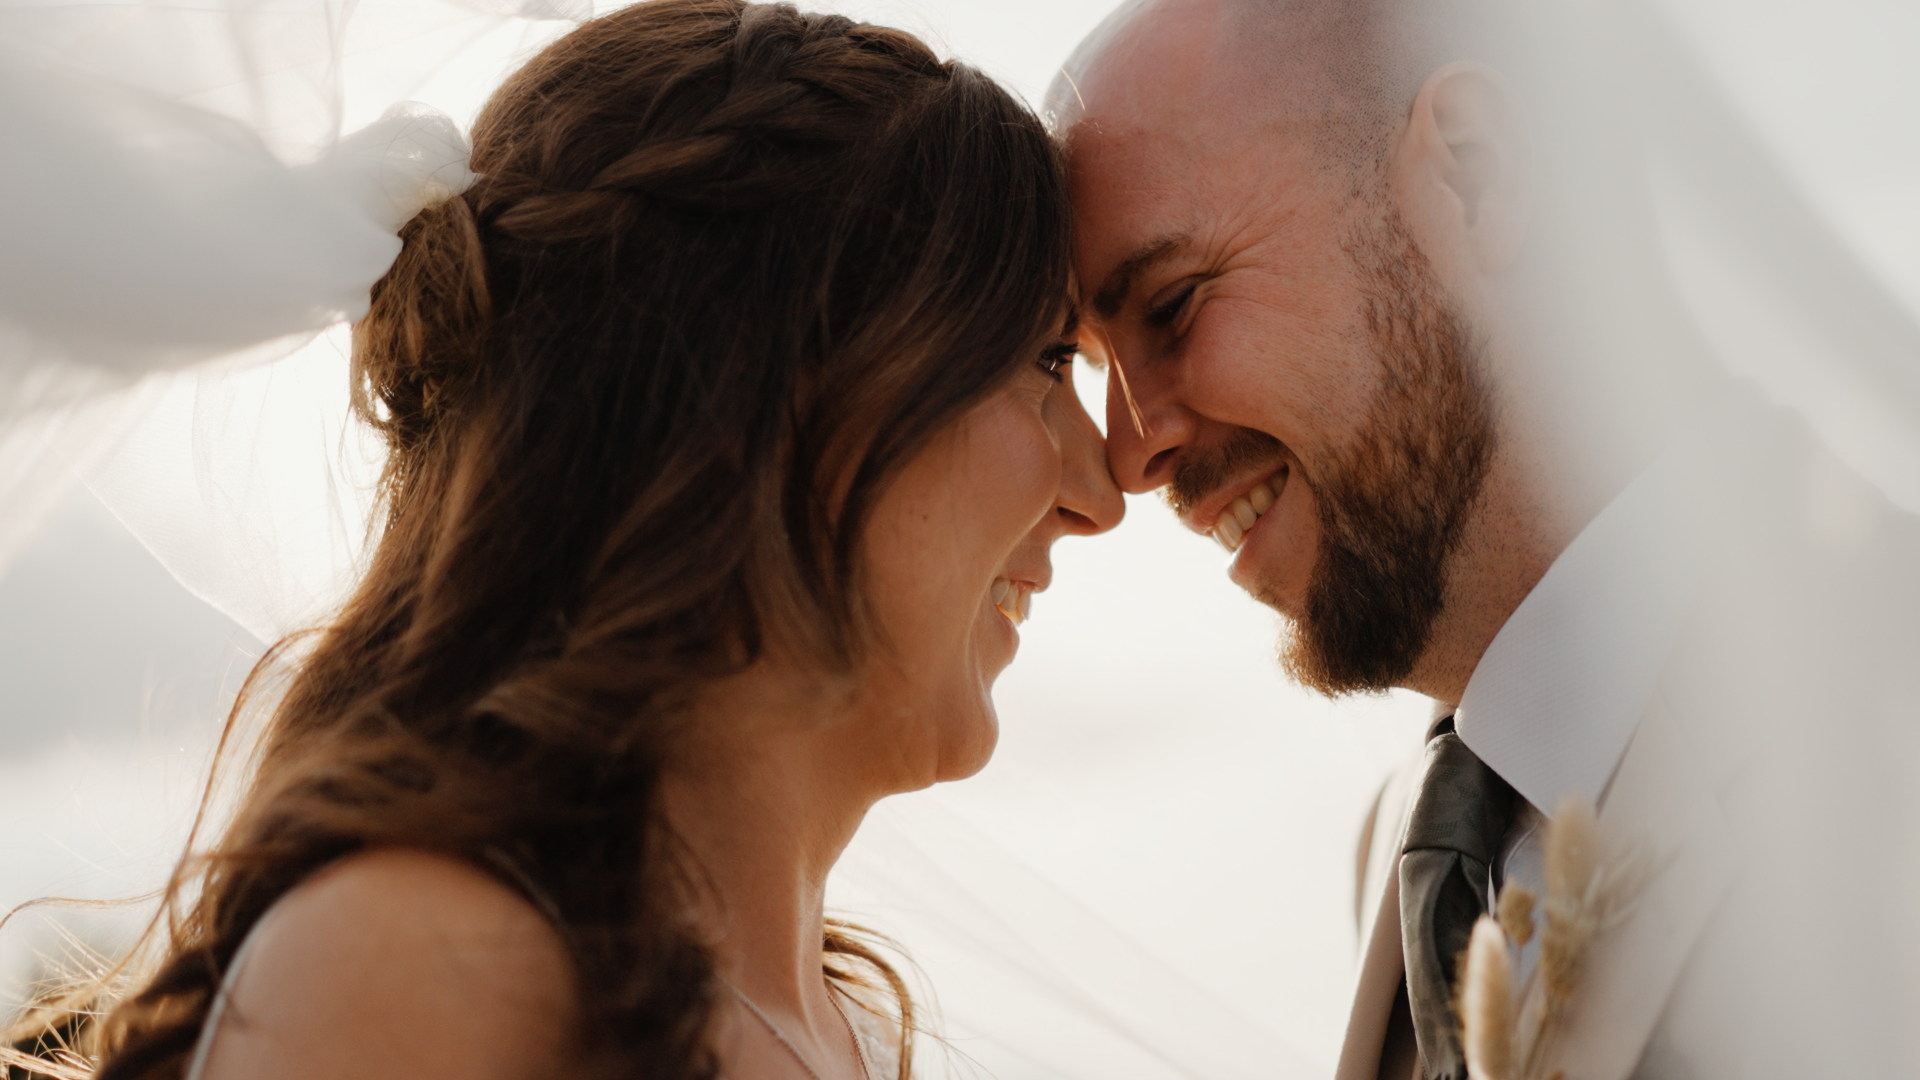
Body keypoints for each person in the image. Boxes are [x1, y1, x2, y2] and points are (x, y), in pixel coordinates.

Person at [8, 2, 1122, 1077]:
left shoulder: (837, 1029)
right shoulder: (426, 976)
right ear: (764, 391)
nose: (1101, 489)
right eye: (1045, 363)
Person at [1054, 1, 1920, 1078]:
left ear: (1470, 173)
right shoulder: (1412, 847)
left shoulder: (1891, 683)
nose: (1129, 455)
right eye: (1091, 365)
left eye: (1175, 307)